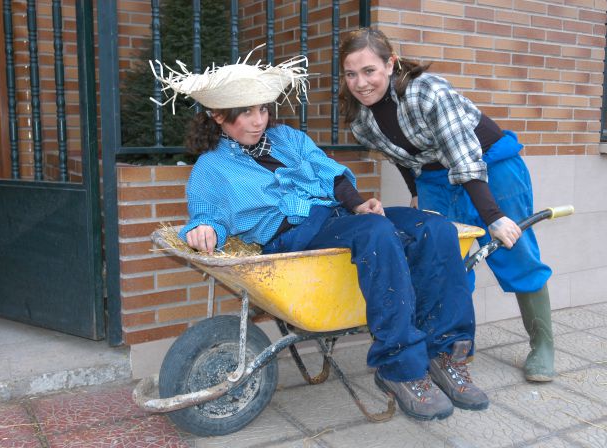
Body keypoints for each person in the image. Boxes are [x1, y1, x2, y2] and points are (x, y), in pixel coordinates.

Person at [151, 49, 489, 421]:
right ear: (218, 116)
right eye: (245, 113)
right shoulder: (211, 167)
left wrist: (358, 204)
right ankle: (400, 368)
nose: (258, 120)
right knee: (376, 232)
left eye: (262, 109)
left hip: (342, 219)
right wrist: (204, 230)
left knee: (434, 227)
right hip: (294, 237)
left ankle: (444, 355)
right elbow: (208, 215)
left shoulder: (287, 139)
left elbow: (331, 172)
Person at [338, 28, 555, 382]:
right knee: (444, 260)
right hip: (436, 181)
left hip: (492, 167)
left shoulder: (428, 91)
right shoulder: (361, 119)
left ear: (390, 64)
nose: (360, 83)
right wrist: (415, 191)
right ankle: (448, 347)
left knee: (515, 251)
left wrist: (494, 216)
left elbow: (463, 156)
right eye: (351, 74)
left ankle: (543, 345)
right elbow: (403, 156)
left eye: (369, 71)